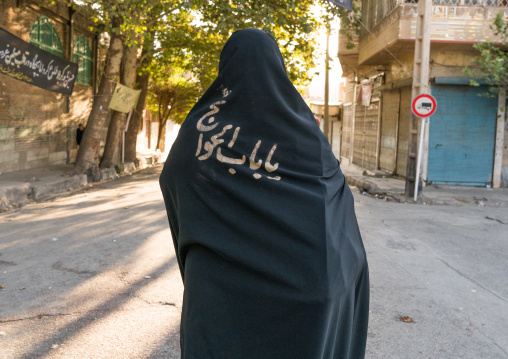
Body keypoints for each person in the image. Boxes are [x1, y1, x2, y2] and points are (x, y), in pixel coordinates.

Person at [159, 28, 369, 359]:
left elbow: (174, 183)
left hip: (218, 292)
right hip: (309, 288)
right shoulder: (305, 133)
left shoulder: (199, 130)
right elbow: (334, 207)